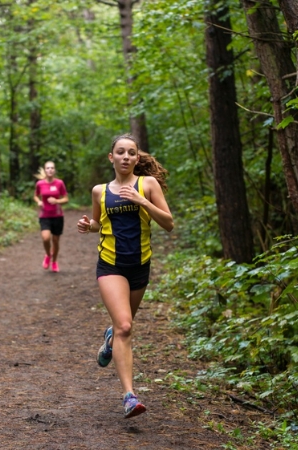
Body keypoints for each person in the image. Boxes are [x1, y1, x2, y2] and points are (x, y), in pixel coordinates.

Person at [77, 134, 174, 419]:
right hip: (111, 265)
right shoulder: (100, 191)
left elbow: (168, 223)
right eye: (120, 152)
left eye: (131, 153)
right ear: (112, 157)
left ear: (137, 158)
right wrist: (88, 225)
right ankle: (129, 396)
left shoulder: (148, 185)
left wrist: (142, 201)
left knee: (122, 328)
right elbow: (98, 223)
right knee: (125, 326)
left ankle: (109, 341)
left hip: (140, 264)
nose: (126, 157)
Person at [33, 161, 69, 273]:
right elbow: (35, 196)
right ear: (45, 170)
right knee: (46, 238)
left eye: (52, 168)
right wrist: (38, 201)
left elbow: (66, 198)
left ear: (54, 170)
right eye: (47, 168)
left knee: (56, 241)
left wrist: (57, 200)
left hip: (58, 215)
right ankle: (48, 255)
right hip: (45, 215)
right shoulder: (40, 184)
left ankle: (54, 261)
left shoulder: (59, 183)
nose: (50, 170)